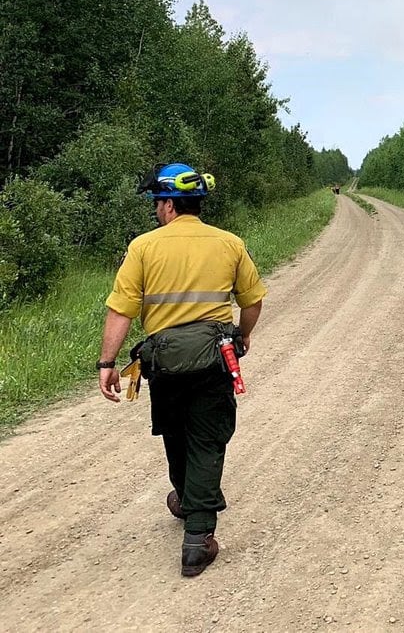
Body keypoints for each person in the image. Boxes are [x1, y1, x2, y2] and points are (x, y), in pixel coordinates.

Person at [96, 163, 266, 578]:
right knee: (207, 440)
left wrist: (107, 363)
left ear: (169, 204)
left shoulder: (143, 247)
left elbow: (121, 309)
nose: (157, 210)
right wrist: (242, 337)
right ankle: (198, 539)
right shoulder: (229, 244)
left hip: (164, 361)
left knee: (175, 432)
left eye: (158, 203)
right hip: (213, 359)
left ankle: (189, 502)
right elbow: (253, 300)